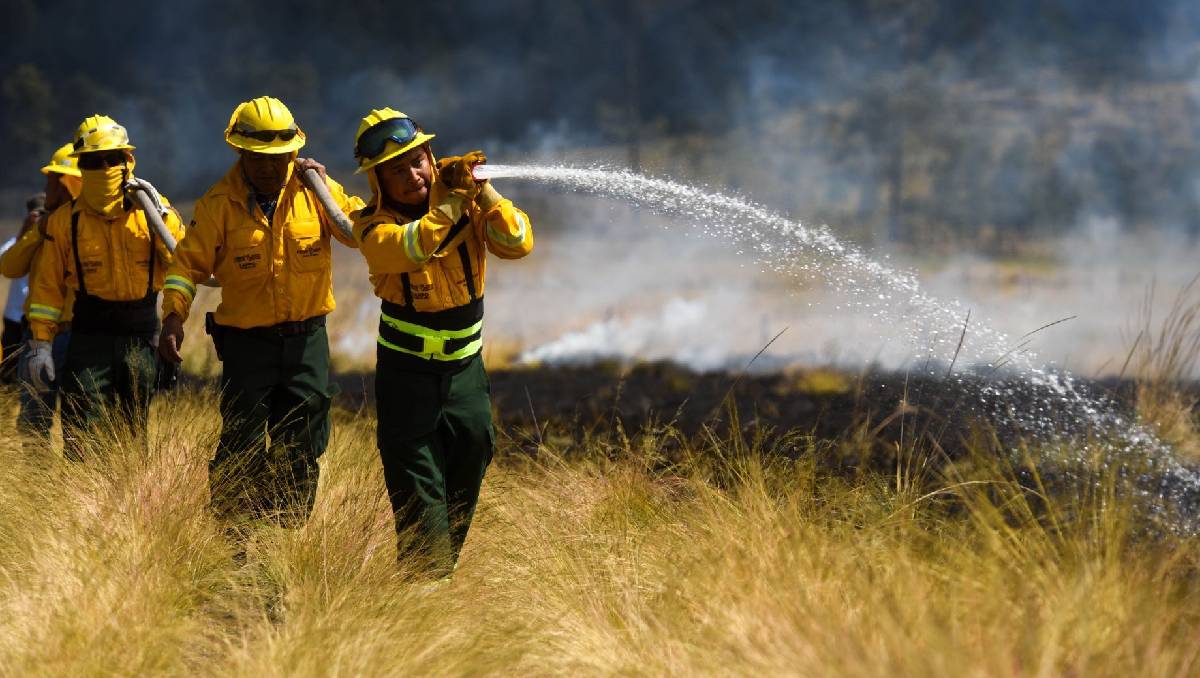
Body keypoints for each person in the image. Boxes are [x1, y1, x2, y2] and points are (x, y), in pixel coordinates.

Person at [158, 96, 363, 524]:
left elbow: (357, 230)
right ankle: (235, 535)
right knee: (242, 439)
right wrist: (174, 318)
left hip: (307, 341)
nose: (273, 167)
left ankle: (282, 532)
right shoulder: (218, 205)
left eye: (282, 157)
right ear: (241, 154)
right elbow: (186, 265)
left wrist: (331, 191)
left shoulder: (317, 192)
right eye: (261, 158)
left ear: (295, 149)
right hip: (248, 346)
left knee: (304, 438)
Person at [350, 108, 533, 576]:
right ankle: (425, 585)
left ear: (431, 157)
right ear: (377, 181)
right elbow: (411, 248)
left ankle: (436, 571)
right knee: (417, 487)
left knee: (471, 462)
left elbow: (517, 243)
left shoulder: (468, 202)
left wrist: (482, 188)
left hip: (465, 374)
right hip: (406, 378)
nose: (411, 175)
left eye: (417, 161)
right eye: (395, 170)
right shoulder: (370, 225)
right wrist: (452, 200)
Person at [26, 115, 184, 458]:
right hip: (89, 338)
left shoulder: (153, 212)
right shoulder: (65, 222)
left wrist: (174, 318)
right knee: (81, 434)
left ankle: (131, 506)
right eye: (94, 161)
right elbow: (47, 288)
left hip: (140, 337)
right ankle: (82, 506)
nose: (105, 167)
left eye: (113, 158)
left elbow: (181, 265)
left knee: (132, 432)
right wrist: (40, 344)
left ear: (128, 161)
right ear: (81, 167)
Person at [1, 143, 82, 433]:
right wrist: (36, 230)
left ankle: (75, 480)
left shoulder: (89, 229)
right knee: (33, 421)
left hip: (75, 339)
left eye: (51, 181)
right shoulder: (43, 228)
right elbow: (9, 267)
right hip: (38, 337)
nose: (46, 189)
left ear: (67, 184)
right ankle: (40, 478)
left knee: (77, 423)